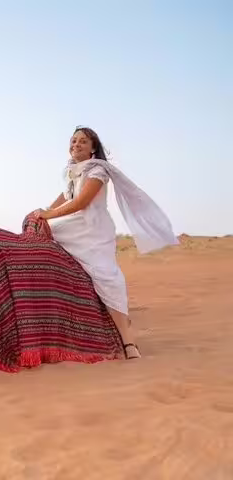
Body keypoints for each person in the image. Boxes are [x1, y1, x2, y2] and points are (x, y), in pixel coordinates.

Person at [32, 126, 178, 360]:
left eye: (82, 142)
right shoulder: (70, 171)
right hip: (73, 223)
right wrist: (43, 212)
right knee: (35, 229)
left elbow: (81, 202)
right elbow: (64, 198)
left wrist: (48, 216)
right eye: (73, 141)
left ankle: (128, 342)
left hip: (91, 228)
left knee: (107, 278)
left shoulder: (98, 170)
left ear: (92, 149)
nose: (76, 145)